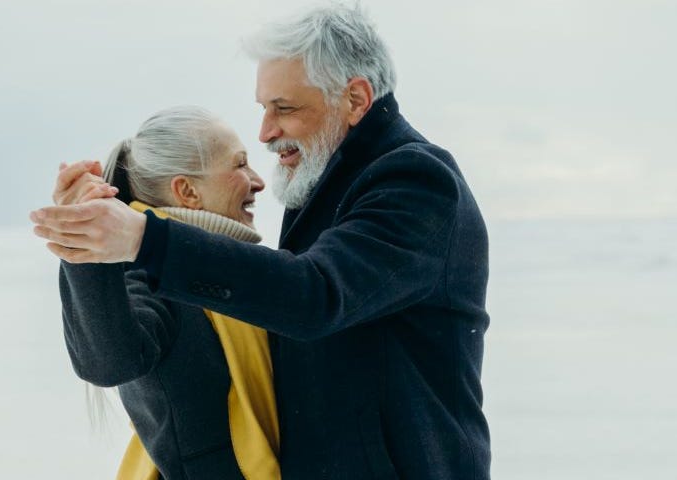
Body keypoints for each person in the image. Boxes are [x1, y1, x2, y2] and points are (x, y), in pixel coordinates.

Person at [33, 4, 491, 479]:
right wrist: (85, 247)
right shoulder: (318, 185)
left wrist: (146, 240)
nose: (267, 131)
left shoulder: (415, 181)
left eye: (285, 108)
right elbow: (111, 358)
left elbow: (315, 295)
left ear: (356, 99)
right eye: (264, 108)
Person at [50, 106, 278, 480]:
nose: (257, 181)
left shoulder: (250, 271)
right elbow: (109, 362)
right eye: (239, 165)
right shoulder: (152, 279)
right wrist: (85, 247)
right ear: (187, 191)